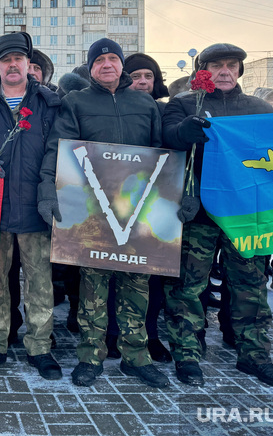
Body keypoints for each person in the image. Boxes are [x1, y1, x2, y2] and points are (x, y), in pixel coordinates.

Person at [39, 38, 168, 389]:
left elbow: (164, 155)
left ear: (121, 65)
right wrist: (47, 190)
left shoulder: (145, 104)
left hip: (138, 209)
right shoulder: (75, 102)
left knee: (136, 287)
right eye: (100, 60)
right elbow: (58, 149)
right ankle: (90, 356)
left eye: (113, 58)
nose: (107, 64)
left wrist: (178, 196)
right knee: (93, 287)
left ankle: (135, 357)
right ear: (91, 67)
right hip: (93, 209)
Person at [163, 43, 273, 388]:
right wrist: (182, 132)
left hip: (246, 218)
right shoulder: (184, 104)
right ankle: (187, 355)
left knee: (251, 288)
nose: (224, 71)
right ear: (201, 71)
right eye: (216, 65)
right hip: (199, 216)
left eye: (231, 65)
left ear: (239, 71)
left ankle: (255, 356)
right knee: (188, 289)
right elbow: (165, 138)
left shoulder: (259, 110)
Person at [0, 31, 62, 379]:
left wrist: (48, 192)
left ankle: (40, 346)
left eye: (19, 59)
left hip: (35, 208)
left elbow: (58, 152)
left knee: (39, 283)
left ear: (28, 63)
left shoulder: (48, 103)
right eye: (6, 60)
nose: (13, 65)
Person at [121, 52, 173, 364]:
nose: (142, 82)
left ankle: (150, 335)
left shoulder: (166, 111)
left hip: (155, 204)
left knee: (150, 275)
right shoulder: (117, 106)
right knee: (114, 271)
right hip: (115, 201)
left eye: (148, 76)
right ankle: (114, 332)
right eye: (136, 75)